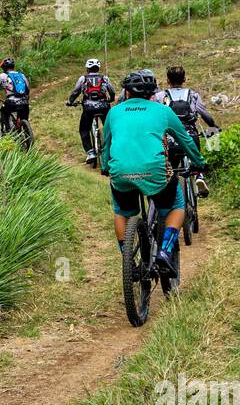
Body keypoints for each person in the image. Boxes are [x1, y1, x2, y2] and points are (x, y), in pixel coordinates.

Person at [100, 69, 206, 278]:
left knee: (122, 211)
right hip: (155, 173)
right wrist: (199, 162)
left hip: (121, 174)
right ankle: (165, 251)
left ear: (126, 92)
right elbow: (185, 140)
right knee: (177, 205)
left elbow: (106, 146)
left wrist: (105, 167)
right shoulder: (163, 111)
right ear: (153, 92)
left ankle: (128, 258)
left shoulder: (114, 112)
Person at [152, 65, 219, 197]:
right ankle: (199, 176)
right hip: (190, 137)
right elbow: (205, 115)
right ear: (184, 79)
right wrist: (214, 127)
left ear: (167, 81)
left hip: (169, 140)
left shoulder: (160, 96)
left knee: (170, 169)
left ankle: (171, 190)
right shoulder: (193, 95)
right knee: (196, 158)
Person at [66, 58, 117, 163]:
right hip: (104, 107)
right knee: (110, 128)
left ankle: (90, 152)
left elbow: (75, 92)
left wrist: (70, 101)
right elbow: (112, 91)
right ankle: (113, 151)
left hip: (88, 108)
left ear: (87, 68)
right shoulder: (104, 78)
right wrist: (110, 99)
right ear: (98, 68)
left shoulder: (83, 78)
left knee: (84, 129)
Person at [0, 57, 30, 131]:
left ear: (3, 67)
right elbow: (27, 88)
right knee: (24, 118)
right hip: (24, 102)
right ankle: (26, 133)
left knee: (3, 111)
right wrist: (26, 98)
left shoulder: (3, 76)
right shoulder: (21, 75)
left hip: (11, 102)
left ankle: (9, 131)